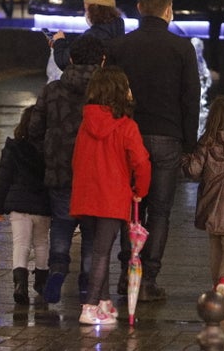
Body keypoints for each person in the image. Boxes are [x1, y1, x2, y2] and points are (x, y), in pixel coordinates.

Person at [107, 0, 200, 301]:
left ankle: (126, 274)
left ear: (140, 8)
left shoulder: (120, 46)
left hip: (127, 138)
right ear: (169, 11)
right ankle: (148, 280)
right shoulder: (182, 48)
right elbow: (191, 98)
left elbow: (110, 94)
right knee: (160, 212)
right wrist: (190, 143)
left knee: (131, 210)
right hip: (167, 139)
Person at [27, 34, 107, 303]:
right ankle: (86, 280)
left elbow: (34, 129)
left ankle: (58, 270)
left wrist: (48, 152)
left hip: (59, 170)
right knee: (91, 230)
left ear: (70, 59)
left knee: (61, 224)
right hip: (95, 173)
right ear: (103, 61)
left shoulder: (53, 90)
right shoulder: (107, 94)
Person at [70, 66, 151, 326]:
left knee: (95, 249)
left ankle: (103, 301)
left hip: (86, 194)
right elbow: (141, 162)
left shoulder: (86, 121)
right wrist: (140, 191)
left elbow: (76, 159)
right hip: (112, 196)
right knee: (102, 253)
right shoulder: (127, 126)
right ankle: (90, 306)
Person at [183, 95, 224, 303]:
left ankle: (217, 284)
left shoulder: (206, 142)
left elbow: (193, 170)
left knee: (215, 244)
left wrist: (184, 159)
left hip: (211, 204)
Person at [0, 106, 51, 304]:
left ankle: (20, 285)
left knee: (20, 244)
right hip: (43, 205)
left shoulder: (13, 148)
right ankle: (41, 282)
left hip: (19, 206)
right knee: (41, 243)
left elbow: (3, 178)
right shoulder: (50, 149)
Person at [48, 0, 125, 71]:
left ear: (93, 11)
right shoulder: (120, 32)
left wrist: (59, 41)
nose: (86, 14)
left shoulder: (89, 37)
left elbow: (64, 61)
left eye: (86, 10)